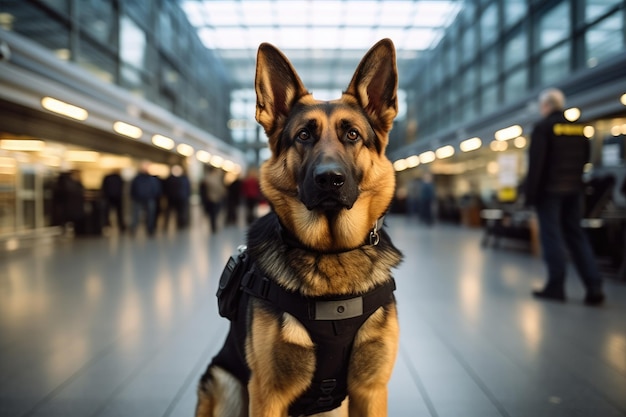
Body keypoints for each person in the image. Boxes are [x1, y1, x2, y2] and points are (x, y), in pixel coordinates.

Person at [525, 88, 605, 306]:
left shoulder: (543, 127)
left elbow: (536, 165)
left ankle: (556, 286)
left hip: (549, 192)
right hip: (574, 190)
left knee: (552, 237)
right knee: (577, 236)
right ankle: (593, 285)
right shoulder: (579, 127)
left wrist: (530, 196)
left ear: (546, 106)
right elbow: (587, 159)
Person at [129, 161, 161, 237]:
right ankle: (133, 229)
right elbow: (133, 189)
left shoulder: (152, 178)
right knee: (136, 215)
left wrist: (154, 196)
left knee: (150, 215)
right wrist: (134, 197)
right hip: (138, 199)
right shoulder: (137, 178)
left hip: (150, 198)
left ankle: (150, 229)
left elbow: (156, 188)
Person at [162, 165, 191, 230]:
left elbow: (187, 189)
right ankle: (166, 225)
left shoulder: (184, 179)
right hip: (171, 199)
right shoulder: (169, 179)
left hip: (181, 199)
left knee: (181, 213)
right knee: (169, 213)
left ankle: (181, 224)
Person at [201, 167, 226, 233]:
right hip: (213, 198)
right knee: (214, 213)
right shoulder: (213, 179)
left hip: (213, 198)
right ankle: (213, 226)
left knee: (214, 213)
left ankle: (213, 225)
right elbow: (219, 188)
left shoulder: (209, 178)